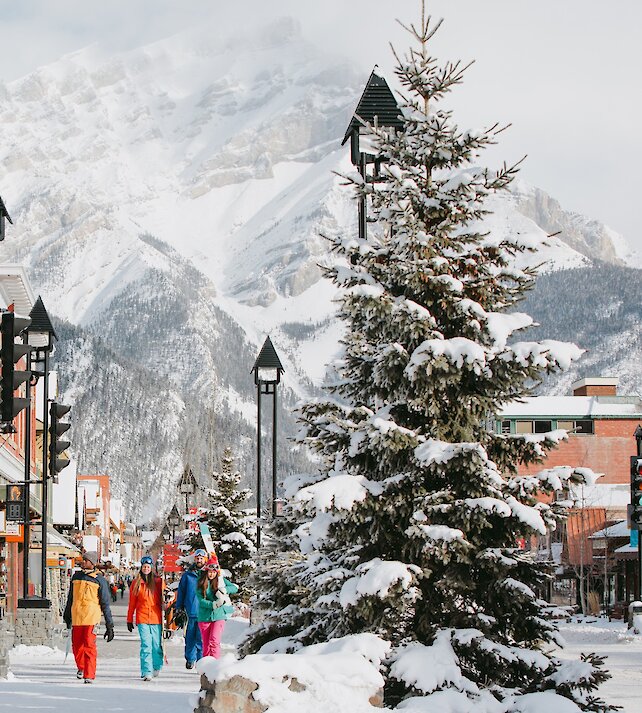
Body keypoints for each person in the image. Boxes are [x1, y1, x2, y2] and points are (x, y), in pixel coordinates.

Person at [63, 551, 114, 683]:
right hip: (77, 617)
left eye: (85, 560)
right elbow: (71, 598)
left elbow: (105, 603)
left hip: (91, 618)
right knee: (77, 646)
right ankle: (81, 667)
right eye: (83, 560)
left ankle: (89, 674)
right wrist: (67, 614)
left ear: (92, 563)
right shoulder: (76, 577)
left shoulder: (99, 579)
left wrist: (110, 625)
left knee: (89, 646)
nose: (83, 562)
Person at [126, 555, 165, 681]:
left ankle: (157, 665)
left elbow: (166, 597)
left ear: (151, 568)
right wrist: (129, 619)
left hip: (156, 617)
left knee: (156, 645)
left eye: (148, 567)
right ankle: (146, 671)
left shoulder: (158, 582)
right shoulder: (136, 583)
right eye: (144, 567)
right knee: (146, 645)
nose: (146, 569)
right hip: (142, 617)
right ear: (141, 568)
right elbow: (132, 602)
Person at [195, 555, 238, 659]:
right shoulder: (200, 582)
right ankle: (206, 667)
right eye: (210, 571)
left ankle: (215, 664)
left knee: (214, 640)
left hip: (219, 615)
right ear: (206, 571)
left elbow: (234, 587)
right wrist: (212, 605)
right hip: (204, 616)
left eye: (214, 572)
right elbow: (201, 600)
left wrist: (224, 590)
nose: (211, 574)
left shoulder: (220, 580)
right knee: (206, 644)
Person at [175, 548, 207, 668]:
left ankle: (200, 661)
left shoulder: (208, 574)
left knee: (201, 639)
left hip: (203, 612)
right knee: (189, 638)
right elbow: (181, 592)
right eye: (197, 558)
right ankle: (190, 658)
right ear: (195, 559)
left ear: (205, 560)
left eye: (201, 558)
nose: (199, 560)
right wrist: (179, 607)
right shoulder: (188, 575)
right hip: (190, 611)